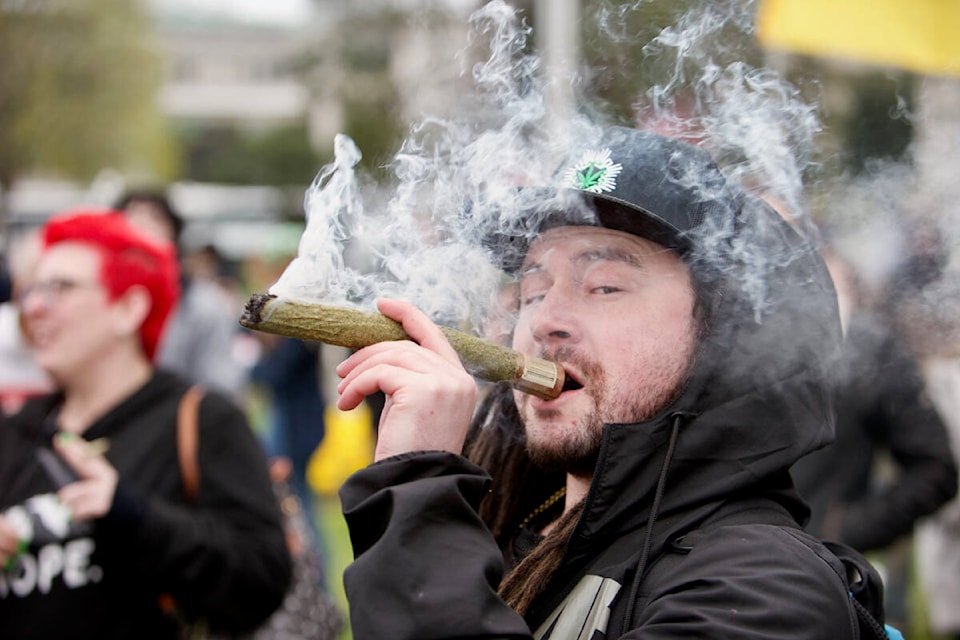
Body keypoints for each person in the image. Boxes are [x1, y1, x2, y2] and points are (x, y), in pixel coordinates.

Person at [335, 127, 880, 638]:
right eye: (532, 290)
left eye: (605, 287)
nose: (546, 320)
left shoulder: (766, 589)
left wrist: (418, 503)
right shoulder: (510, 531)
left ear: (724, 342)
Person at [0, 209, 291, 639]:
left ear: (129, 308)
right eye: (33, 289)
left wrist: (131, 514)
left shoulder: (200, 420)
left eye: (60, 288)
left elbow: (260, 579)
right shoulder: (15, 430)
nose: (34, 307)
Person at [115, 190, 248, 401]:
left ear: (173, 233)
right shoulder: (99, 304)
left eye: (154, 218)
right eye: (130, 219)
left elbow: (221, 388)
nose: (140, 228)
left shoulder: (203, 305)